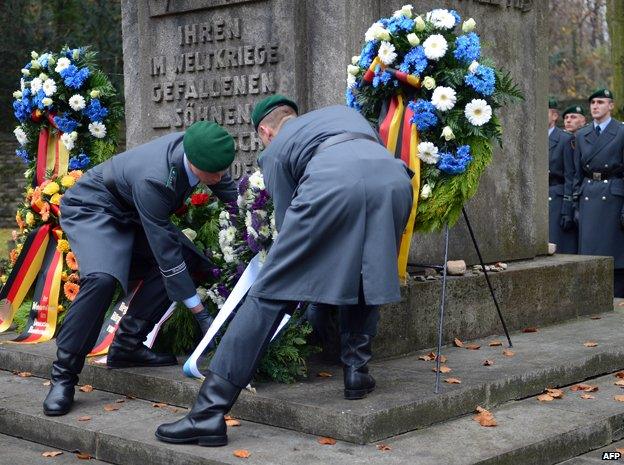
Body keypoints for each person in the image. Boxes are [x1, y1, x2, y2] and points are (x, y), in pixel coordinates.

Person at [154, 95, 413, 447]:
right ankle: (356, 372)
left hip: (332, 184)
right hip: (394, 182)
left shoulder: (276, 150)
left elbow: (288, 220)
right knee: (364, 271)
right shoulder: (343, 114)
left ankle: (207, 415)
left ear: (265, 131)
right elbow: (366, 163)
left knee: (269, 295)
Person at [43, 121, 238, 416]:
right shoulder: (156, 178)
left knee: (188, 261)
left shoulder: (204, 153)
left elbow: (232, 194)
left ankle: (127, 346)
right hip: (93, 207)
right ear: (195, 163)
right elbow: (165, 252)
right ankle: (63, 376)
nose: (221, 177)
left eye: (224, 170)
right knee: (102, 279)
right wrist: (202, 315)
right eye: (215, 173)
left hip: (132, 210)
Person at [573, 89, 624, 296]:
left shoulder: (621, 131)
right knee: (589, 255)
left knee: (613, 253)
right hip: (588, 194)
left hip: (613, 194)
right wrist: (573, 204)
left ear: (611, 106)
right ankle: (590, 297)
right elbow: (576, 174)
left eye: (601, 102)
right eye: (593, 102)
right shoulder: (582, 134)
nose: (595, 106)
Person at [548, 98, 577, 253]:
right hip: (539, 196)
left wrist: (567, 208)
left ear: (554, 116)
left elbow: (570, 176)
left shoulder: (565, 139)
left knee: (556, 246)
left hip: (556, 197)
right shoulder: (532, 138)